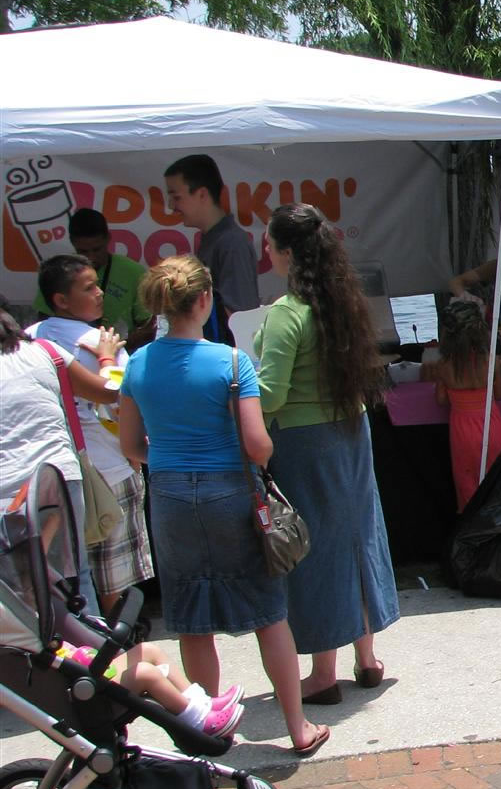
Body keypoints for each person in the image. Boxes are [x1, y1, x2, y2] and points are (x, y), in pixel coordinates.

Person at [119, 256, 329, 756]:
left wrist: (170, 458)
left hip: (170, 495)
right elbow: (257, 445)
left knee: (193, 621)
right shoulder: (231, 363)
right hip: (230, 492)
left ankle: (207, 731)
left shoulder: (138, 363)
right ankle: (297, 727)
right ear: (205, 300)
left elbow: (130, 445)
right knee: (268, 613)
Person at [257, 203, 401, 704]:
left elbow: (270, 394)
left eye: (269, 242)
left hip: (304, 442)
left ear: (285, 251)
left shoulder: (287, 312)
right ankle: (367, 658)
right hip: (351, 430)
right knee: (359, 537)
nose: (266, 249)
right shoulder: (344, 302)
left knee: (314, 550)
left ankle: (322, 673)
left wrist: (235, 385)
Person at [29, 253, 153, 615]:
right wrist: (108, 359)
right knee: (116, 585)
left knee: (67, 581)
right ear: (61, 300)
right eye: (89, 288)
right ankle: (122, 644)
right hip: (112, 472)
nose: (100, 293)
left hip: (54, 479)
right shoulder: (102, 344)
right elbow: (121, 404)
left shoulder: (29, 339)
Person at [0, 310, 120, 615]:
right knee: (76, 577)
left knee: (13, 592)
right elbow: (109, 391)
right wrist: (107, 359)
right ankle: (91, 642)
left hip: (6, 493)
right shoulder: (45, 351)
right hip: (59, 480)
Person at [55, 637, 245, 738]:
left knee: (148, 650)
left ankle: (203, 703)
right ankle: (198, 721)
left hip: (85, 675)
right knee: (144, 672)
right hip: (83, 695)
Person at [164, 154, 260, 342]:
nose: (171, 206)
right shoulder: (213, 240)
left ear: (202, 194)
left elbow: (240, 318)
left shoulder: (232, 244)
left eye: (176, 197)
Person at [32, 208, 154, 347]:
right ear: (72, 241)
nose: (91, 257)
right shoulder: (59, 273)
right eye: (83, 251)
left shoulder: (133, 272)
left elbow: (147, 326)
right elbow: (44, 319)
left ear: (108, 238)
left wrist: (118, 347)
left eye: (97, 249)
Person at [430, 297, 501, 511]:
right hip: (491, 426)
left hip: (462, 431)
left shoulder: (443, 365)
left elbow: (440, 400)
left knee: (467, 484)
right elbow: (500, 394)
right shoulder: (491, 360)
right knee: (496, 481)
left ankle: (471, 525)